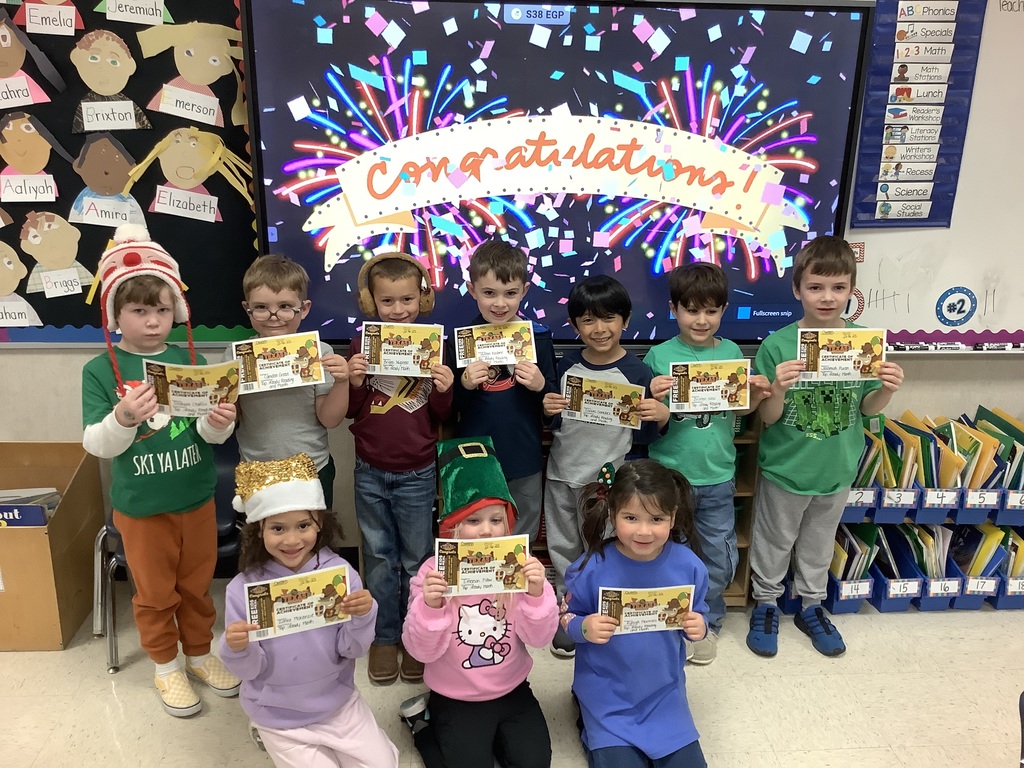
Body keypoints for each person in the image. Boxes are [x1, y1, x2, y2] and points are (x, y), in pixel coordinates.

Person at [81, 223, 240, 717]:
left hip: (195, 500)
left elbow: (208, 438)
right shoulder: (98, 371)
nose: (153, 322)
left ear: (178, 311)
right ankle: (166, 666)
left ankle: (197, 654)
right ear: (116, 314)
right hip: (142, 509)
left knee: (197, 587)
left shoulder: (188, 357)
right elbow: (96, 444)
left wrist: (219, 423)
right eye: (139, 310)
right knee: (153, 595)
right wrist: (124, 417)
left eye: (162, 309)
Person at [747, 235, 904, 658]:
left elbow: (869, 408)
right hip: (786, 466)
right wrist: (777, 387)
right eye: (815, 287)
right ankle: (766, 603)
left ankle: (811, 605)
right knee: (775, 539)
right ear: (797, 289)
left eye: (838, 288)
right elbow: (768, 418)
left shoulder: (865, 344)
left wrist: (887, 391)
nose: (827, 297)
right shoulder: (777, 345)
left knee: (819, 541)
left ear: (852, 291)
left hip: (837, 467)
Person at [220, 453, 399, 767]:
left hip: (339, 705)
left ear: (319, 524)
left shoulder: (340, 574)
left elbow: (353, 649)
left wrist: (363, 615)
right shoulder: (243, 589)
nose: (292, 540)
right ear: (258, 530)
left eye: (303, 525)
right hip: (278, 716)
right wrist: (236, 647)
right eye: (278, 528)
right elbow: (248, 671)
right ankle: (262, 731)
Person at [401, 436, 558, 768]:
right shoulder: (433, 572)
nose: (487, 531)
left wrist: (536, 595)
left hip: (512, 688)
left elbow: (540, 639)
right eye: (473, 521)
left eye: (496, 520)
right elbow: (420, 652)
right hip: (455, 695)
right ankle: (421, 723)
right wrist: (430, 607)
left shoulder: (521, 564)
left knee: (535, 763)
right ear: (452, 527)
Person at [645, 262, 771, 664]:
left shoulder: (732, 352)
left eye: (711, 311)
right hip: (669, 477)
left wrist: (758, 394)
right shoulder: (657, 356)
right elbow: (645, 418)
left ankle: (708, 621)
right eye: (691, 310)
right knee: (669, 553)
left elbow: (741, 410)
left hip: (718, 475)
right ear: (674, 309)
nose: (701, 320)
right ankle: (670, 618)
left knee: (717, 555)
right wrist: (651, 391)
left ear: (723, 310)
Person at [543, 274, 668, 658]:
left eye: (609, 318)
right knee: (564, 545)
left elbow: (646, 436)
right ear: (575, 325)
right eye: (588, 320)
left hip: (609, 482)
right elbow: (554, 423)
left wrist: (661, 416)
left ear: (625, 321)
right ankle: (569, 611)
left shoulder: (638, 373)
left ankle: (606, 608)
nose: (600, 329)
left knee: (606, 546)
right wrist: (546, 410)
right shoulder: (563, 367)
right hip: (562, 473)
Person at [347, 252, 454, 684]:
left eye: (406, 300)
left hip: (417, 471)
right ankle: (384, 636)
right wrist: (352, 382)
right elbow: (354, 410)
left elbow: (441, 413)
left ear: (422, 298)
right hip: (369, 467)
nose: (398, 310)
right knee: (377, 559)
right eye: (387, 302)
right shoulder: (361, 344)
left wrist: (445, 388)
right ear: (372, 303)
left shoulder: (435, 344)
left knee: (416, 560)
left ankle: (416, 637)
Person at [562, 460, 710, 768]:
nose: (644, 531)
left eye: (656, 518)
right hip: (607, 698)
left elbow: (700, 612)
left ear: (673, 518)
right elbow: (563, 620)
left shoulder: (689, 566)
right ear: (613, 515)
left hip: (665, 696)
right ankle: (587, 717)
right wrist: (582, 628)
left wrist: (700, 625)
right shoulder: (590, 568)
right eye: (631, 517)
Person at [448, 239, 557, 540]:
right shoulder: (460, 342)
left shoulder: (540, 339)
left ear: (524, 290)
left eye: (510, 294)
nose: (500, 303)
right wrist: (465, 384)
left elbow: (555, 404)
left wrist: (541, 387)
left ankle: (517, 586)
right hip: (474, 457)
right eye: (489, 293)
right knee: (473, 529)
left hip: (524, 455)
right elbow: (447, 407)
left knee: (522, 531)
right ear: (472, 291)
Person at [234, 254, 349, 509]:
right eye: (262, 307)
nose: (274, 315)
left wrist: (343, 382)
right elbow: (232, 419)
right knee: (262, 545)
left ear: (304, 308)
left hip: (312, 468)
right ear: (248, 309)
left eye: (285, 306)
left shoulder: (321, 352)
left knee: (314, 542)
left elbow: (330, 419)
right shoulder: (236, 356)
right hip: (257, 470)